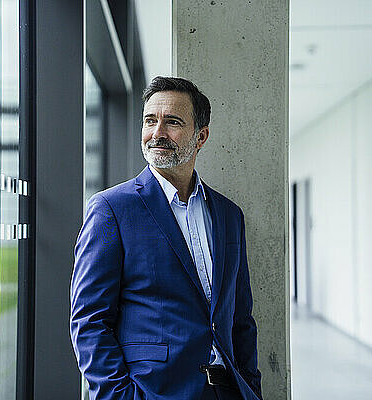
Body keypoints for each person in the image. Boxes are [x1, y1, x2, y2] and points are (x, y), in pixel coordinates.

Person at [70, 76, 262, 400]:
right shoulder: (112, 209)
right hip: (154, 392)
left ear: (200, 137)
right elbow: (89, 320)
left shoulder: (229, 216)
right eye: (150, 121)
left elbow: (241, 318)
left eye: (172, 122)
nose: (157, 133)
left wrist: (251, 388)